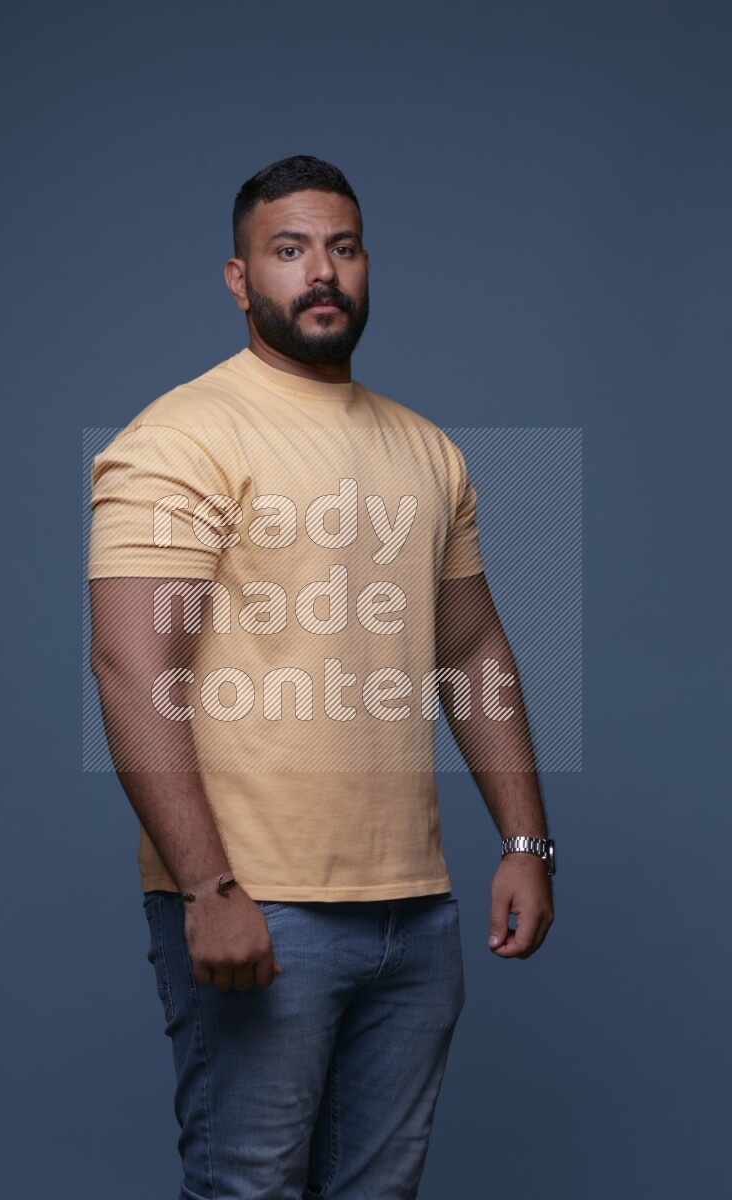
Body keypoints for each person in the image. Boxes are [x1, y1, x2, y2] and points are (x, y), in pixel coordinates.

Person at [88, 154, 555, 1200]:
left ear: (365, 263)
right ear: (236, 275)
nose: (320, 273)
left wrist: (525, 840)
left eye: (340, 248)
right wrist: (207, 886)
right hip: (258, 900)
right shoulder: (180, 438)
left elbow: (471, 649)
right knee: (246, 1188)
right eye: (288, 250)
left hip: (415, 910)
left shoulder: (425, 450)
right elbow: (130, 668)